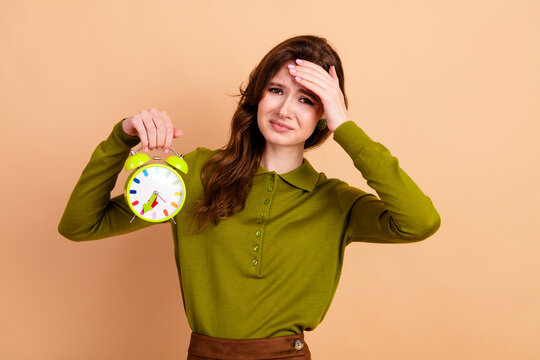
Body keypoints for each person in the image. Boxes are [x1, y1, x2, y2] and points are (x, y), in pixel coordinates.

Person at [58, 34, 441, 360]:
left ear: (323, 115)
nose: (285, 109)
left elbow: (419, 222)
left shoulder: (335, 202)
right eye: (276, 90)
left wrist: (345, 126)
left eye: (307, 100)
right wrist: (122, 137)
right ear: (258, 96)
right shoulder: (199, 174)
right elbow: (81, 225)